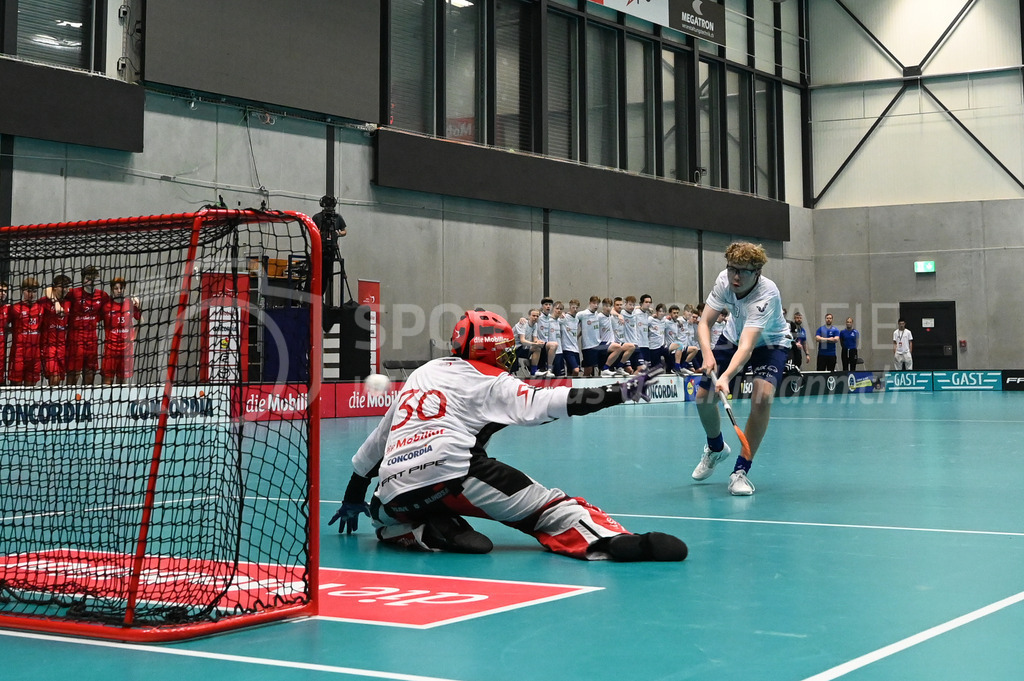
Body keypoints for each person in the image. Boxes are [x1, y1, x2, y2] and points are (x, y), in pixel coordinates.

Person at [328, 309, 686, 562]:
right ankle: (611, 541)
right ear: (495, 349)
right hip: (454, 474)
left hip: (394, 495)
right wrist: (620, 392)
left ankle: (415, 531)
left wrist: (352, 496)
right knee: (551, 509)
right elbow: (551, 402)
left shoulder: (423, 373)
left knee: (383, 510)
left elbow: (375, 444)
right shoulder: (491, 379)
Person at [690, 242, 791, 496]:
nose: (736, 276)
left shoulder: (767, 294)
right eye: (732, 268)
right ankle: (715, 448)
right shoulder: (724, 280)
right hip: (733, 336)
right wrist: (707, 353)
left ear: (757, 272)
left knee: (762, 396)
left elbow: (747, 348)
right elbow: (704, 323)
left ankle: (740, 470)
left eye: (743, 271)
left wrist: (725, 377)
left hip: (770, 343)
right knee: (703, 399)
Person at [66, 265, 110, 386]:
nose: (90, 281)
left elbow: (112, 308)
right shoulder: (73, 293)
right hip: (75, 340)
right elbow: (51, 291)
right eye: (88, 278)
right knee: (73, 374)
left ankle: (86, 402)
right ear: (83, 278)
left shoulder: (102, 296)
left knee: (90, 374)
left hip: (92, 341)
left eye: (93, 278)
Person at [100, 277, 143, 385]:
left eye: (121, 288)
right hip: (110, 350)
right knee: (107, 382)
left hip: (126, 351)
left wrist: (134, 336)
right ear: (111, 289)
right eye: (116, 288)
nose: (119, 291)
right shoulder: (106, 306)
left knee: (122, 382)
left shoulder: (130, 304)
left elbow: (141, 320)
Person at [7, 277, 45, 386]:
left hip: (35, 353)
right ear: (22, 291)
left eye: (34, 291)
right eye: (28, 291)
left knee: (31, 388)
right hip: (19, 353)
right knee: (16, 385)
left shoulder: (41, 308)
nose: (31, 294)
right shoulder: (15, 308)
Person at [311, 194, 348, 299]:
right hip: (319, 249)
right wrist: (318, 233)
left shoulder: (337, 218)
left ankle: (322, 297)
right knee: (316, 274)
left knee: (327, 275)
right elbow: (310, 230)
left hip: (331, 248)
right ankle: (314, 297)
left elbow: (344, 231)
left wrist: (338, 233)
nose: (328, 208)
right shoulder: (317, 217)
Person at [40, 274, 72, 386]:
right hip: (49, 346)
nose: (64, 289)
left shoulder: (69, 301)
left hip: (62, 346)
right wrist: (55, 302)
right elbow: (47, 289)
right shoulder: (45, 302)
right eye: (61, 286)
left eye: (66, 286)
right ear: (55, 287)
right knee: (54, 377)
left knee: (59, 380)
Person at [512, 308, 545, 377]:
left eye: (537, 316)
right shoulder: (522, 324)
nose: (535, 317)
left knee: (538, 348)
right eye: (533, 316)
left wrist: (539, 342)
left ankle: (534, 371)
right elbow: (522, 340)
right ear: (529, 316)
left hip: (522, 348)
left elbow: (535, 339)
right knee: (513, 369)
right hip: (513, 348)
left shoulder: (535, 325)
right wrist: (535, 343)